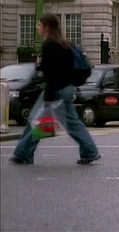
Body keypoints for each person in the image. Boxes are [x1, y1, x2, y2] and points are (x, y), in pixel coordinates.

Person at [11, 13, 101, 165]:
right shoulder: (64, 44)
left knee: (43, 121)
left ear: (46, 27)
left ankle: (24, 154)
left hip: (57, 89)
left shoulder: (49, 45)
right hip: (67, 88)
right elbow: (63, 69)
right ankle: (23, 153)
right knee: (47, 121)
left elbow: (52, 73)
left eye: (39, 25)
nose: (37, 27)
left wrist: (48, 95)